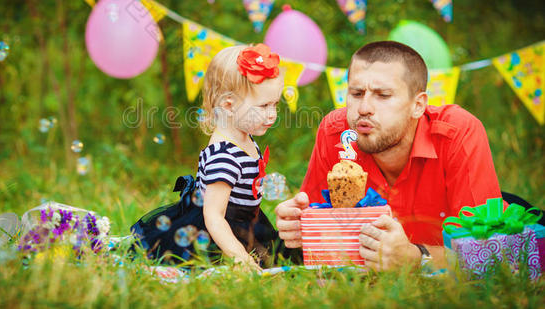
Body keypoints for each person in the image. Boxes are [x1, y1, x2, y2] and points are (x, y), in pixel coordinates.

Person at [275, 41, 504, 271]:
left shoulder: (457, 134)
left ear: (418, 105)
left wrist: (417, 259)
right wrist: (299, 226)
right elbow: (319, 233)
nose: (364, 108)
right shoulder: (335, 133)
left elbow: (490, 255)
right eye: (356, 93)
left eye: (382, 95)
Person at [133, 44, 285, 269]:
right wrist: (240, 258)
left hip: (245, 222)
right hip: (217, 231)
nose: (272, 114)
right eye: (263, 106)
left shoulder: (243, 135)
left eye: (275, 104)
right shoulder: (224, 156)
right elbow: (213, 216)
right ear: (228, 105)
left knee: (279, 259)